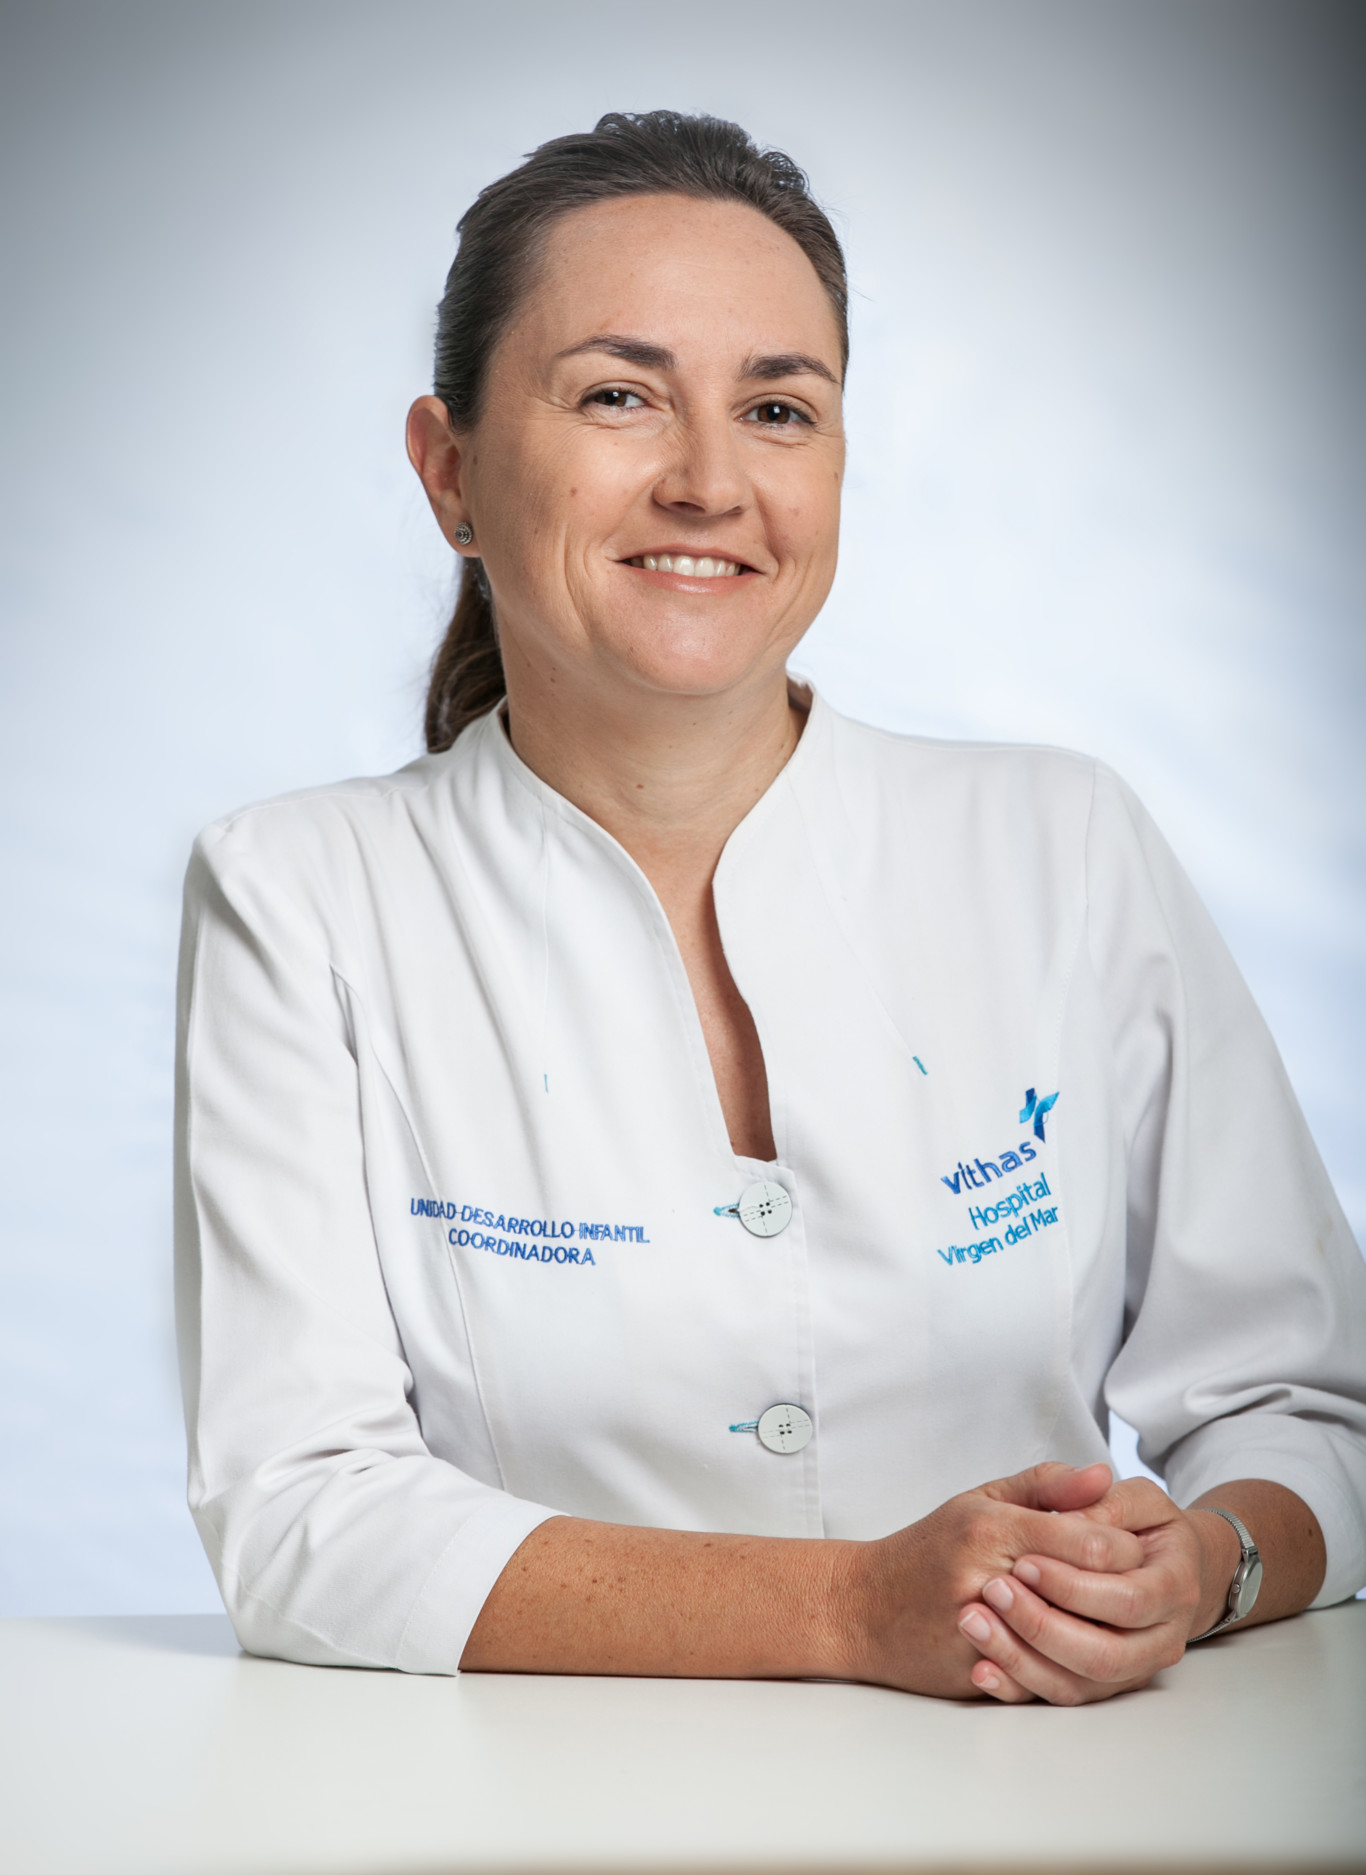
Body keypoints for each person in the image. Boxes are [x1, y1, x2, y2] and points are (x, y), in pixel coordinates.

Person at [175, 111, 1366, 1705]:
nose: (708, 483)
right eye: (618, 396)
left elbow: (1304, 1407)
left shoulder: (1059, 844)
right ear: (450, 471)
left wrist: (1200, 1570)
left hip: (1035, 1798)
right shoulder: (301, 894)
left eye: (777, 409)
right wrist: (849, 1610)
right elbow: (300, 1515)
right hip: (520, 1808)